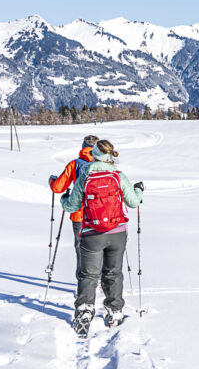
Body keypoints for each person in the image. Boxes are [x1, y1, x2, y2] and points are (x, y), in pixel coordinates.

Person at [61, 139, 143, 333]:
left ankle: (84, 311)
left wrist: (65, 198)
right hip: (117, 233)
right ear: (109, 156)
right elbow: (133, 202)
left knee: (88, 274)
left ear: (94, 154)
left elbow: (71, 206)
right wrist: (139, 190)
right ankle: (115, 311)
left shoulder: (86, 174)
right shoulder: (117, 175)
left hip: (91, 233)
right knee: (113, 272)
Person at [49, 135, 98, 248]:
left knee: (81, 248)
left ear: (83, 147)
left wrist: (52, 180)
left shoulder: (75, 164)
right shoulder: (105, 165)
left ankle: (81, 266)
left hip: (79, 214)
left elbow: (57, 188)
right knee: (100, 250)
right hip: (102, 214)